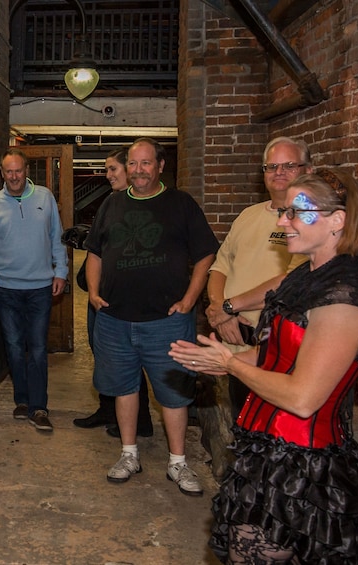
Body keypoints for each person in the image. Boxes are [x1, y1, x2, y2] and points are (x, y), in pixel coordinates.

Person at [170, 169, 358, 563]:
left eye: (295, 213)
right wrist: (225, 360)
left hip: (305, 465)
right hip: (268, 451)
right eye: (283, 211)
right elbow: (279, 354)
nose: (282, 221)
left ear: (337, 220)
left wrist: (233, 366)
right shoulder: (305, 276)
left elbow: (304, 398)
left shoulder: (345, 297)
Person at [85, 137, 218, 493]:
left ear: (160, 166)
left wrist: (191, 298)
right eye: (133, 163)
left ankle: (178, 463)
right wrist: (94, 292)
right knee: (124, 388)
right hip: (115, 320)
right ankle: (129, 454)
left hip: (167, 321)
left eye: (146, 163)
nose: (138, 170)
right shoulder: (111, 204)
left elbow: (206, 253)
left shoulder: (180, 204)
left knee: (173, 393)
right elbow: (95, 252)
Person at [205, 137, 311, 419]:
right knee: (243, 424)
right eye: (272, 166)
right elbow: (220, 266)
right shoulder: (247, 216)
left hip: (278, 346)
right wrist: (220, 310)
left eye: (289, 165)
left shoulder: (312, 222)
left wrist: (230, 307)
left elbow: (290, 280)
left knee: (276, 432)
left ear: (308, 171)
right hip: (238, 341)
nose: (279, 172)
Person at [0, 148, 69, 432]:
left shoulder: (45, 197)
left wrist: (61, 271)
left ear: (26, 170)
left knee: (38, 349)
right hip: (5, 288)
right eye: (9, 171)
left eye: (18, 170)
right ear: (2, 173)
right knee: (15, 348)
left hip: (41, 287)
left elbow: (57, 237)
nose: (14, 176)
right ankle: (22, 401)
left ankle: (39, 406)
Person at [72, 147, 153, 438]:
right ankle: (109, 410)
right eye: (107, 170)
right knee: (104, 353)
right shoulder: (111, 202)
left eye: (113, 169)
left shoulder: (141, 205)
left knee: (129, 358)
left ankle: (139, 421)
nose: (108, 176)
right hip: (101, 293)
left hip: (123, 296)